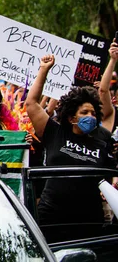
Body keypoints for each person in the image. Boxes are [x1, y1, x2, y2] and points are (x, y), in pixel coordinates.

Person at [26, 54, 117, 225]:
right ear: (71, 117)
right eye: (84, 113)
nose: (90, 117)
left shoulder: (103, 138)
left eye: (93, 113)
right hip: (52, 215)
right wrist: (44, 70)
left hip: (88, 219)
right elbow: (31, 103)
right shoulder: (55, 132)